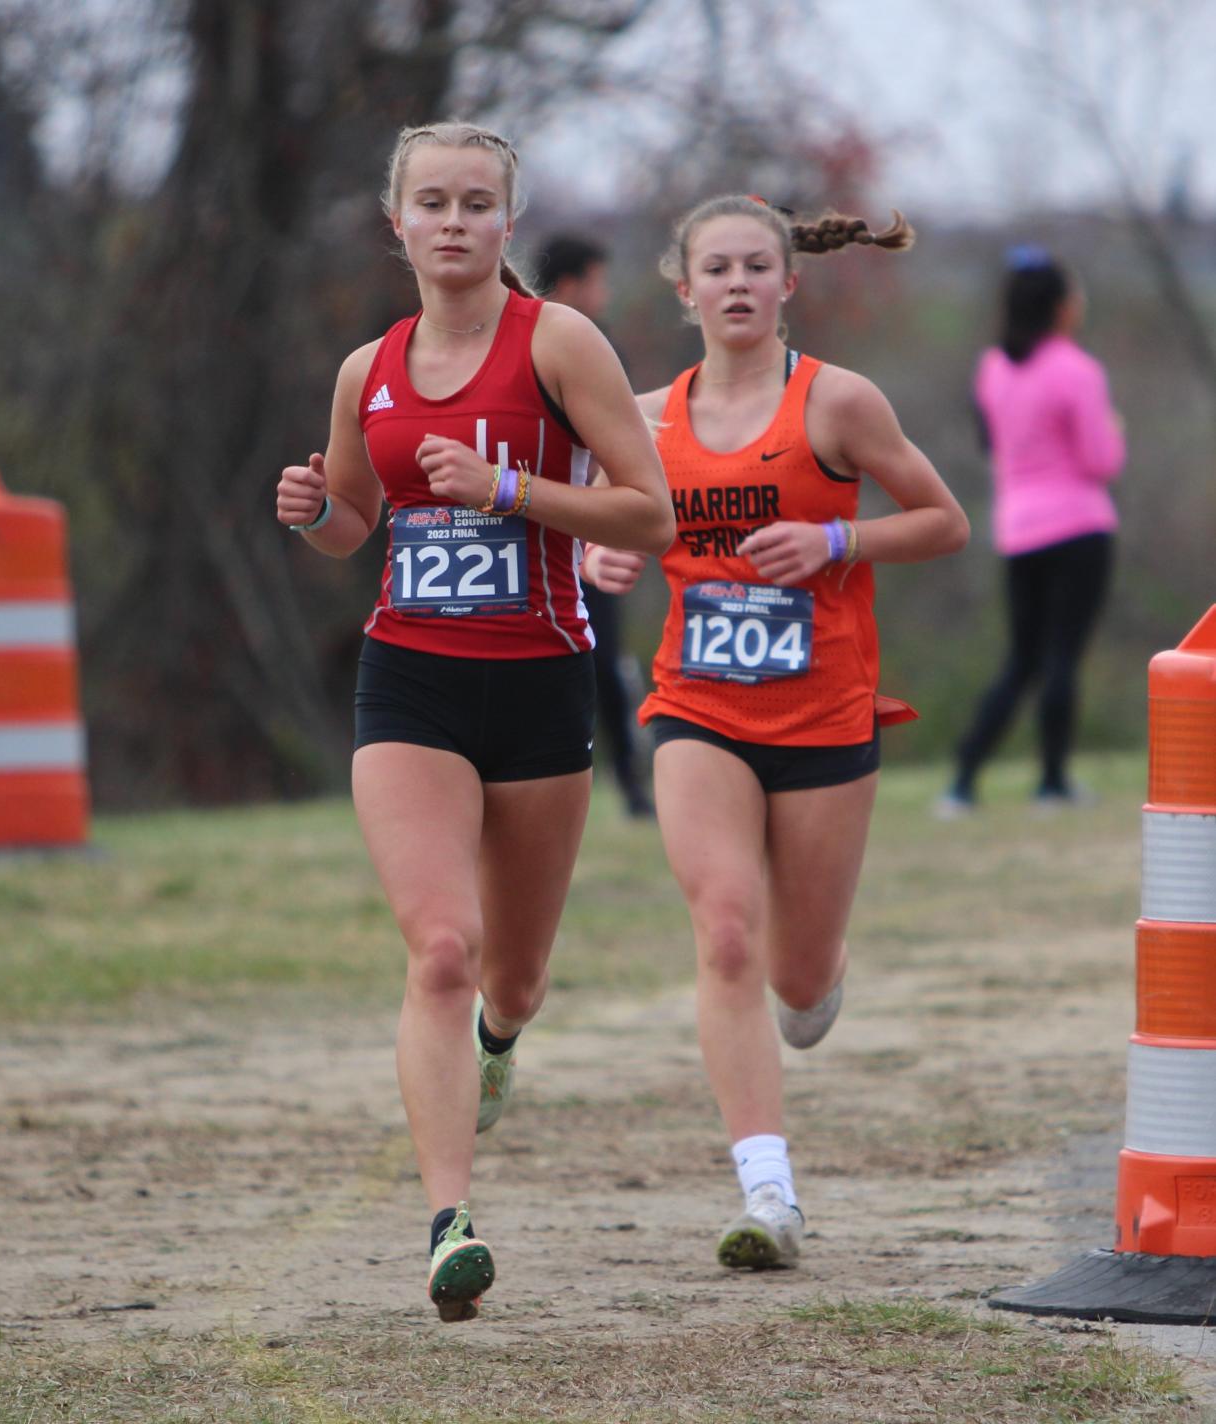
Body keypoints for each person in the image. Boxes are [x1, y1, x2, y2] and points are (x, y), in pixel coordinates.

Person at [276, 121, 673, 1322]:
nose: (453, 223)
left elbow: (646, 512)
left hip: (542, 678)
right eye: (431, 204)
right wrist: (314, 513)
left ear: (508, 222)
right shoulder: (369, 368)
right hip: (411, 683)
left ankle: (502, 1036)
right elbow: (357, 521)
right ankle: (450, 1220)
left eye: (476, 204)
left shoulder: (559, 341)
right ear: (397, 225)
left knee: (517, 972)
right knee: (439, 947)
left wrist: (509, 489)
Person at [583, 195, 968, 1269]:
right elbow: (603, 530)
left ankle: (821, 969)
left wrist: (837, 536)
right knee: (726, 931)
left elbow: (945, 520)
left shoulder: (839, 403)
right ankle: (770, 1192)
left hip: (824, 710)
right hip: (697, 707)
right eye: (720, 267)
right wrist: (600, 559)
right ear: (686, 288)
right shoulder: (644, 416)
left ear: (789, 283)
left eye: (760, 265)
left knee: (797, 980)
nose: (741, 283)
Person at [936, 246, 1124, 816]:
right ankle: (1052, 782)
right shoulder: (1078, 370)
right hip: (1079, 528)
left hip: (1018, 532)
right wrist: (1115, 427)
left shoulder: (993, 367)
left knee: (1021, 660)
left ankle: (963, 779)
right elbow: (1102, 460)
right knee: (1063, 656)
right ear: (1062, 308)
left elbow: (992, 443)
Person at [533, 233, 654, 817]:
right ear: (571, 286)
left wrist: (603, 529)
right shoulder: (525, 347)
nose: (604, 296)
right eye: (599, 282)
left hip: (592, 542)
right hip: (532, 545)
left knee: (603, 662)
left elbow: (626, 463)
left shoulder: (602, 355)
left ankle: (630, 781)